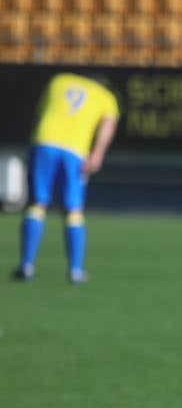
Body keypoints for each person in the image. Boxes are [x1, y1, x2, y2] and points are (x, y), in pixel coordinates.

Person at [12, 71, 120, 283]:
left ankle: (26, 265)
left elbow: (40, 114)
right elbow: (108, 127)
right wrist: (97, 154)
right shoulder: (106, 97)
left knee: (37, 203)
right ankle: (75, 270)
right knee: (73, 209)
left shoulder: (59, 80)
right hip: (74, 151)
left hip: (44, 141)